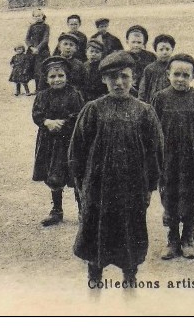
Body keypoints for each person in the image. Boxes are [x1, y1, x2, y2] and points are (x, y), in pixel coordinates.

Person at [69, 51, 163, 287]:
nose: (119, 83)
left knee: (130, 232)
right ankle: (94, 280)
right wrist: (82, 186)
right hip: (98, 188)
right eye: (112, 77)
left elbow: (156, 153)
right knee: (96, 232)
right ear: (103, 80)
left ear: (134, 77)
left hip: (133, 188)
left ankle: (130, 279)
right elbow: (76, 151)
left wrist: (150, 186)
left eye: (124, 76)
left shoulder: (144, 111)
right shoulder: (93, 109)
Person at [150, 54, 194, 260]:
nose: (180, 79)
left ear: (193, 76)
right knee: (169, 197)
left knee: (192, 197)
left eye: (185, 75)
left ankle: (188, 239)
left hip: (193, 160)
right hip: (168, 159)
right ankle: (172, 239)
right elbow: (152, 130)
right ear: (168, 74)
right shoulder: (160, 98)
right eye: (176, 74)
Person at [32, 56, 86, 227]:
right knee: (53, 174)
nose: (57, 80)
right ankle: (57, 210)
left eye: (61, 76)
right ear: (47, 79)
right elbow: (37, 113)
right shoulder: (42, 96)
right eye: (52, 77)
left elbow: (79, 113)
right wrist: (47, 122)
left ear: (67, 76)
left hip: (69, 141)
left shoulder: (74, 94)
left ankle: (82, 210)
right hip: (49, 142)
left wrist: (63, 122)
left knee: (75, 173)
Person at [138, 34, 175, 103]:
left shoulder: (175, 67)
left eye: (167, 49)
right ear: (156, 51)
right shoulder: (150, 69)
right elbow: (143, 90)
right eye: (161, 49)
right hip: (153, 103)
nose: (164, 52)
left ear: (172, 49)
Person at [24, 8, 51, 94]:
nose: (37, 17)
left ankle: (42, 89)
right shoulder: (31, 26)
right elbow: (27, 39)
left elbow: (45, 39)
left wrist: (38, 48)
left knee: (41, 69)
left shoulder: (46, 26)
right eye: (35, 16)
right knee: (34, 70)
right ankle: (36, 89)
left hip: (43, 51)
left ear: (42, 16)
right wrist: (31, 47)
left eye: (39, 15)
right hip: (32, 51)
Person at [80, 38, 108, 102]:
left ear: (101, 54)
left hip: (99, 96)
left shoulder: (103, 67)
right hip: (85, 96)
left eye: (97, 52)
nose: (93, 54)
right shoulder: (83, 66)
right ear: (86, 52)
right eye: (91, 51)